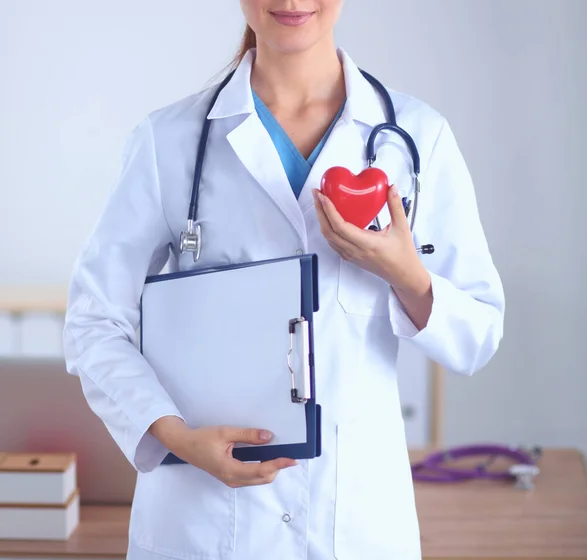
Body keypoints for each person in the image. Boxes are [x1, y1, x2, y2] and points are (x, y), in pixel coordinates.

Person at [63, 1, 505, 559]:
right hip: (204, 519)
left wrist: (405, 273)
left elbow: (479, 333)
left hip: (356, 523)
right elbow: (94, 321)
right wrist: (174, 435)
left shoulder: (417, 138)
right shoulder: (168, 141)